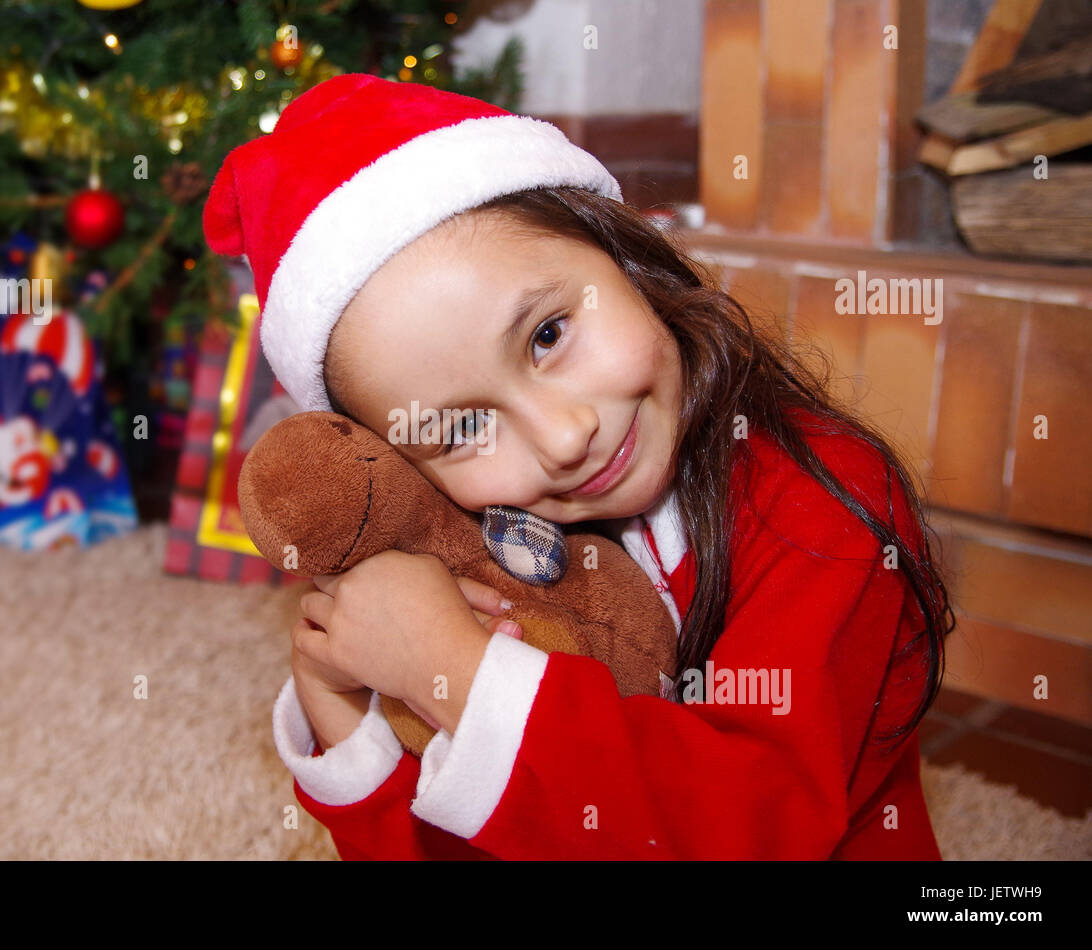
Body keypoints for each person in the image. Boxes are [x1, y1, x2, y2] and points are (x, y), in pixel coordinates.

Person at [202, 73, 953, 860]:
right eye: (459, 427)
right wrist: (353, 722)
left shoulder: (824, 499)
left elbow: (753, 824)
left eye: (549, 336)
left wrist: (454, 670)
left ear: (625, 256)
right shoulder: (477, 550)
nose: (562, 439)